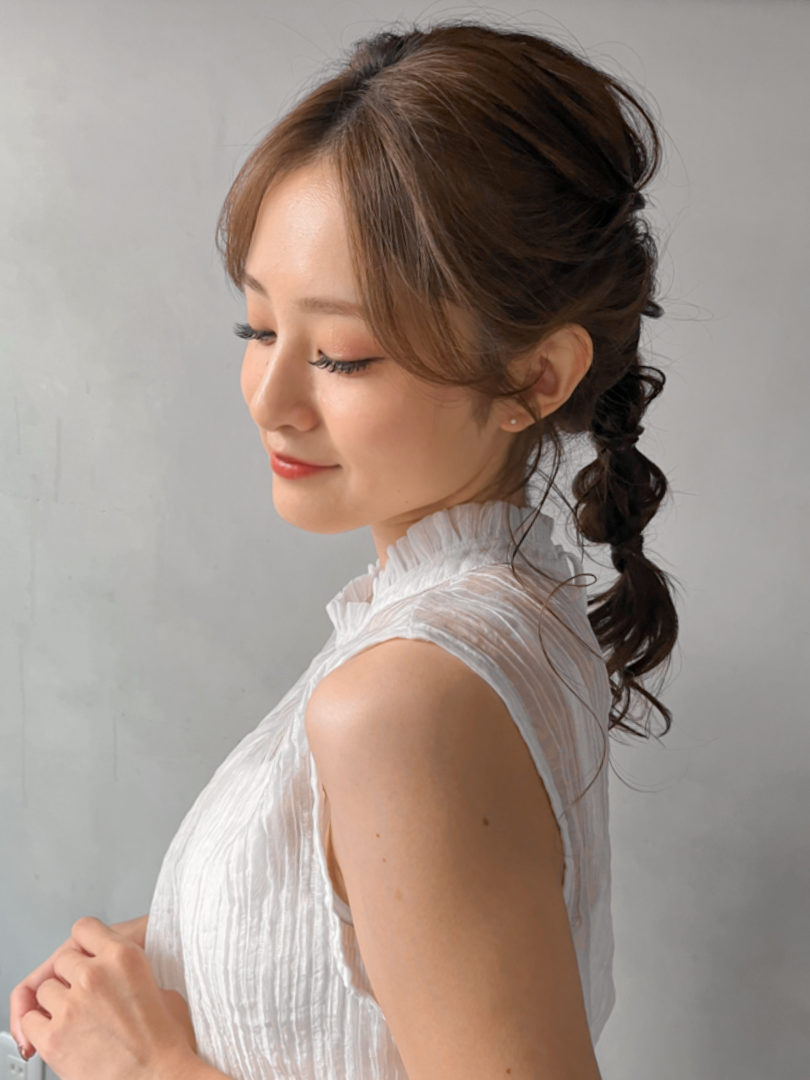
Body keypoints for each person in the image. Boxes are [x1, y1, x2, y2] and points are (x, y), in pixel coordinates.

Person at [10, 18, 679, 1080]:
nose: (270, 398)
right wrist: (199, 937)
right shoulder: (505, 604)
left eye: (344, 356)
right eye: (259, 330)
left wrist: (142, 1067)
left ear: (536, 377)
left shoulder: (405, 697)